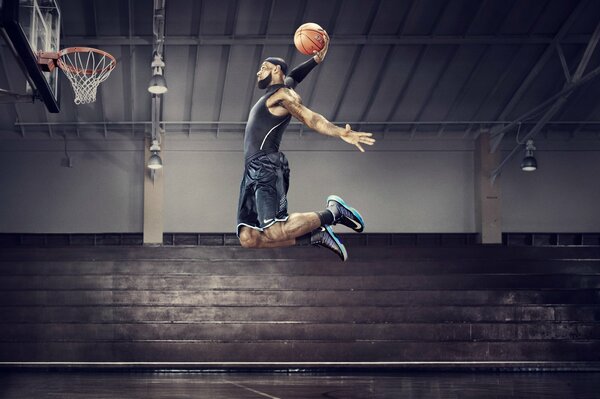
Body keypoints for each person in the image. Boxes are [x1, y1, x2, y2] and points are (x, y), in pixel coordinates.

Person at [237, 34, 375, 261]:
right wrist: (316, 60)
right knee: (248, 237)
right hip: (252, 170)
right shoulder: (278, 89)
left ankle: (334, 213)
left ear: (275, 71)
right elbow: (293, 76)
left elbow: (311, 118)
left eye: (264, 67)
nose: (258, 72)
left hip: (266, 165)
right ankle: (315, 237)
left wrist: (341, 132)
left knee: (273, 230)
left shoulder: (282, 96)